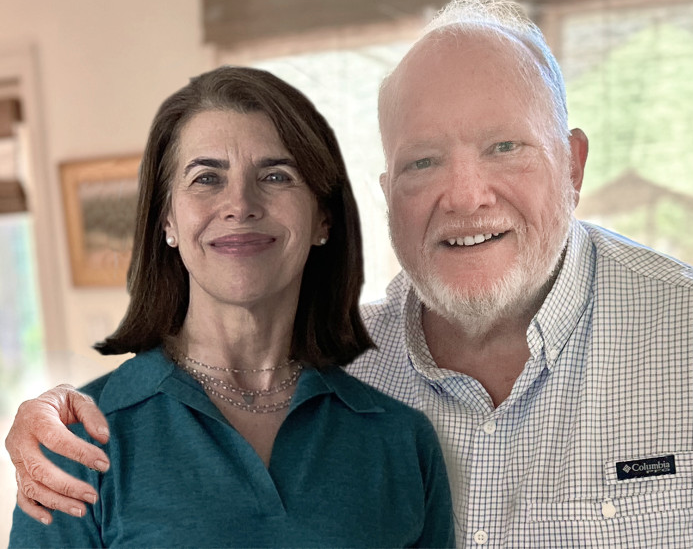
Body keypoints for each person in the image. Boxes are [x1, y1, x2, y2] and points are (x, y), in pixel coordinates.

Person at [7, 0, 693, 547]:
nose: (465, 196)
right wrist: (52, 414)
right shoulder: (352, 363)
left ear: (574, 164)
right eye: (424, 161)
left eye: (504, 146)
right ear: (387, 194)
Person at [7, 65, 455, 548]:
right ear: (168, 222)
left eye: (276, 175)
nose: (240, 204)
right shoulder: (78, 443)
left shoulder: (402, 441)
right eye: (206, 179)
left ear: (323, 217)